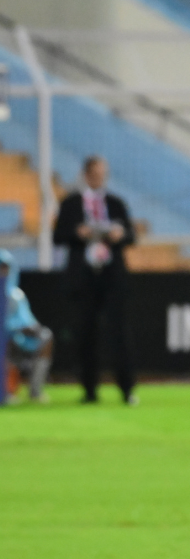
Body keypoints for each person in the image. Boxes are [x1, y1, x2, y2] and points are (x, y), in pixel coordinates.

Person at [52, 155, 137, 405]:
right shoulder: (71, 204)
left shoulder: (116, 203)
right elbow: (58, 236)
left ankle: (127, 389)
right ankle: (90, 390)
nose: (100, 177)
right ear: (86, 174)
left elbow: (131, 235)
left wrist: (119, 235)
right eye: (96, 173)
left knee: (119, 334)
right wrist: (79, 233)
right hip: (84, 277)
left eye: (103, 173)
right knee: (86, 334)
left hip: (112, 276)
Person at [2, 251, 53, 402]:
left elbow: (27, 320)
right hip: (5, 339)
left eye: (5, 268)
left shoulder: (17, 295)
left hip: (18, 338)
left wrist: (30, 329)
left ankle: (35, 391)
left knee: (46, 336)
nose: (2, 272)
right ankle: (6, 391)